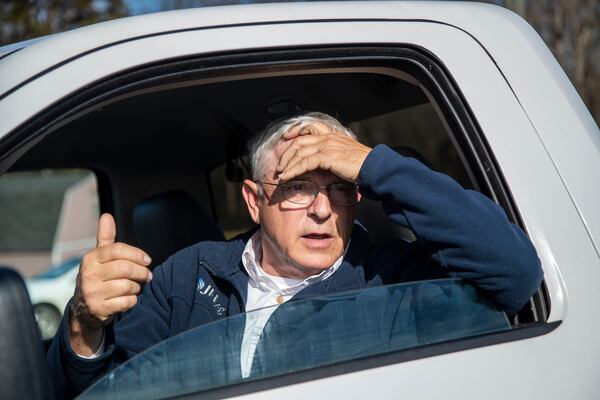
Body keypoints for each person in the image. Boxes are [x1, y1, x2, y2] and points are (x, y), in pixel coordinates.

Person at [48, 112, 543, 397]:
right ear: (253, 201)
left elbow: (516, 274)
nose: (323, 210)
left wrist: (371, 164)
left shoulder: (393, 280)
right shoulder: (188, 274)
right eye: (298, 187)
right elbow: (92, 391)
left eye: (341, 187)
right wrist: (82, 327)